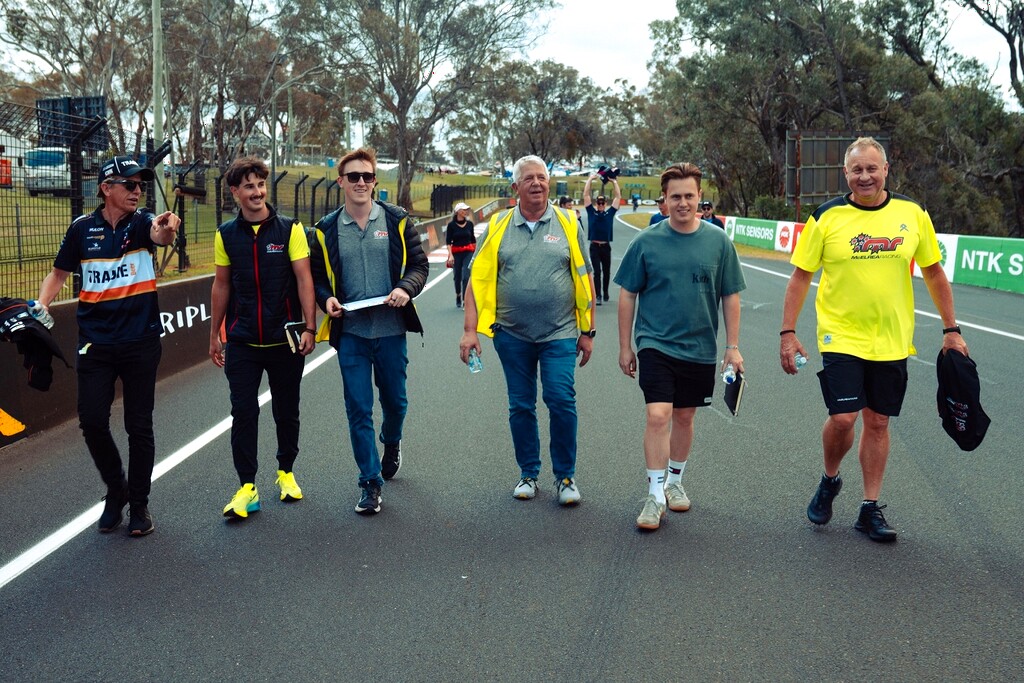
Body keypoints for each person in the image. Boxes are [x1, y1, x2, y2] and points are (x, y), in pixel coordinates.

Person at [780, 136, 969, 543]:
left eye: (872, 168)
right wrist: (788, 333)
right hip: (840, 335)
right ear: (845, 174)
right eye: (857, 169)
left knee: (878, 421)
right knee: (844, 417)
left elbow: (934, 272)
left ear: (886, 170)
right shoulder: (826, 217)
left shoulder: (912, 213)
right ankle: (830, 479)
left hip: (892, 339)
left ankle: (869, 507)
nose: (865, 176)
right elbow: (800, 277)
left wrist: (951, 329)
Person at [35, 156, 180, 537]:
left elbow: (160, 235)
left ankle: (141, 505)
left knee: (139, 425)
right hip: (96, 344)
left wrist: (168, 229)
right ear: (106, 188)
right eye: (129, 185)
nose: (137, 191)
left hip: (140, 341)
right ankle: (117, 489)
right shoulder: (82, 228)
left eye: (140, 185)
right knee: (93, 421)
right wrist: (41, 306)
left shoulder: (144, 221)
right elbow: (59, 273)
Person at [615, 163, 746, 531]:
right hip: (655, 344)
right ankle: (655, 495)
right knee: (658, 415)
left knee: (685, 417)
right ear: (664, 200)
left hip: (700, 347)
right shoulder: (646, 242)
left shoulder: (718, 241)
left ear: (700, 198)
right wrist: (626, 347)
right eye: (676, 197)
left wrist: (732, 347)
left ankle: (675, 480)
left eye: (690, 195)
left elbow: (730, 295)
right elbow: (627, 295)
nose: (683, 203)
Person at [460, 155, 596, 505]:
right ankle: (528, 473)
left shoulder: (568, 222)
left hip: (561, 333)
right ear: (515, 187)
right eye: (529, 179)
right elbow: (476, 279)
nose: (537, 184)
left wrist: (588, 331)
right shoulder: (498, 225)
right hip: (512, 334)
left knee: (561, 400)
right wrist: (470, 330)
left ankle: (565, 476)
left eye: (542, 177)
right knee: (520, 405)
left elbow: (586, 278)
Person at [309, 147, 429, 516]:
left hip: (391, 330)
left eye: (367, 176)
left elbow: (420, 267)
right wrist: (326, 299)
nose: (361, 182)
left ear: (375, 181)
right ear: (340, 181)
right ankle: (369, 482)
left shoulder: (397, 221)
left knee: (395, 402)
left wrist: (405, 288)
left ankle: (391, 442)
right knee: (358, 409)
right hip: (352, 336)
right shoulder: (326, 230)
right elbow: (317, 280)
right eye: (353, 177)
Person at [210, 156, 318, 520]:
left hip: (284, 340)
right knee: (243, 411)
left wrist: (309, 327)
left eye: (260, 185)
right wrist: (215, 334)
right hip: (242, 343)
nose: (256, 192)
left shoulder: (290, 230)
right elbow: (221, 284)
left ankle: (286, 473)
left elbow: (305, 279)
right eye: (249, 186)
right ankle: (246, 487)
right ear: (235, 192)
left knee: (287, 411)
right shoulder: (225, 234)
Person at [583, 173, 621, 305]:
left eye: (602, 203)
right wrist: (590, 180)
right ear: (596, 203)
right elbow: (586, 196)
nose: (600, 205)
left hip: (606, 247)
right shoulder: (591, 212)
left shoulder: (609, 213)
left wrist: (614, 182)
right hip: (594, 246)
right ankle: (598, 295)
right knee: (597, 272)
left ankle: (605, 291)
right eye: (598, 203)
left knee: (606, 271)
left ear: (605, 203)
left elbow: (618, 197)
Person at [445, 202, 476, 309]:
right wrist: (450, 255)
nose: (466, 211)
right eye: (463, 210)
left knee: (466, 276)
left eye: (467, 209)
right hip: (456, 253)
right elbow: (448, 241)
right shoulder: (451, 226)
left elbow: (472, 239)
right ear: (458, 211)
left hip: (468, 252)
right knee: (457, 276)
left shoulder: (470, 224)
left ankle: (465, 300)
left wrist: (475, 253)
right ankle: (458, 295)